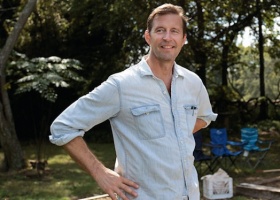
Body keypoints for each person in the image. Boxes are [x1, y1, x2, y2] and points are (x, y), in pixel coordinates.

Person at [49, 3, 217, 200]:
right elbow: (63, 127)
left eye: (174, 31)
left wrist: (174, 133)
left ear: (183, 39)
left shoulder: (192, 82)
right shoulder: (121, 85)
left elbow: (205, 117)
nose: (167, 37)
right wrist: (101, 173)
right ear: (148, 36)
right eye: (160, 30)